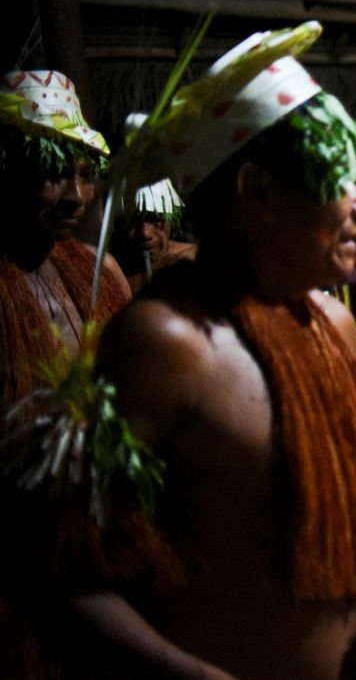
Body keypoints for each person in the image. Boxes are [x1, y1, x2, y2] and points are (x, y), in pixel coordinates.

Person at [3, 22, 356, 680]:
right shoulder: (168, 342)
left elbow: (281, 468)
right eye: (337, 181)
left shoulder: (327, 321)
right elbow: (52, 568)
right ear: (257, 190)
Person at [0, 67, 131, 680]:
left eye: (84, 172)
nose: (76, 195)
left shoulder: (100, 271)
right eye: (55, 173)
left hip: (101, 532)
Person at [115, 176, 196, 295]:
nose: (145, 233)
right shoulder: (115, 268)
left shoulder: (196, 262)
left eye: (155, 219)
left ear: (171, 221)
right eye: (134, 223)